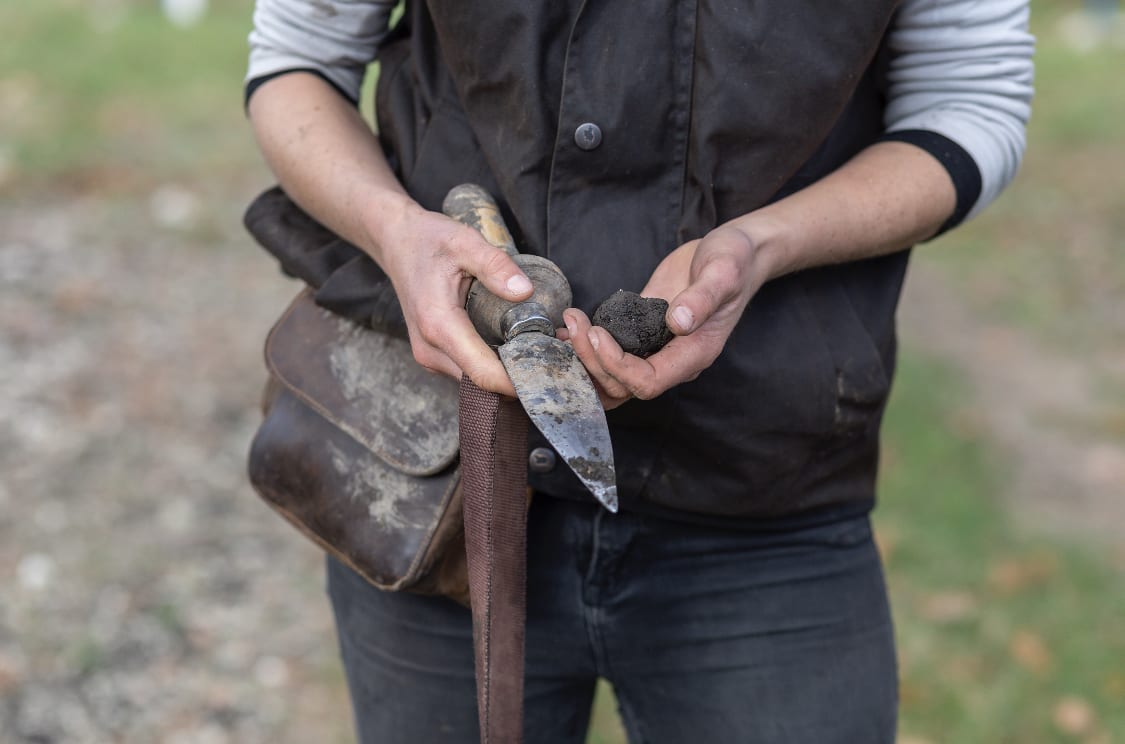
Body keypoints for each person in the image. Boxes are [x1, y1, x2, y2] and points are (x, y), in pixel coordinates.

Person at [245, 1, 1034, 741]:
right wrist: (396, 233)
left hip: (762, 488)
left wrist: (762, 246)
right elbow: (296, 60)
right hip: (434, 479)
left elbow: (971, 103)